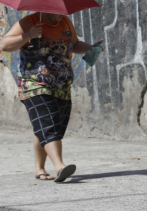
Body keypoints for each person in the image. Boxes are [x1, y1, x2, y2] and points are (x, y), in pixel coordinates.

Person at [0, 12, 103, 182]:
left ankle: (39, 168)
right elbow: (5, 44)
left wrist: (90, 48)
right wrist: (29, 35)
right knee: (49, 123)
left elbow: (74, 44)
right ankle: (60, 166)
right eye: (57, 11)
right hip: (34, 85)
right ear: (45, 7)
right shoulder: (30, 22)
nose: (61, 14)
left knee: (46, 125)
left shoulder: (66, 23)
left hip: (62, 87)